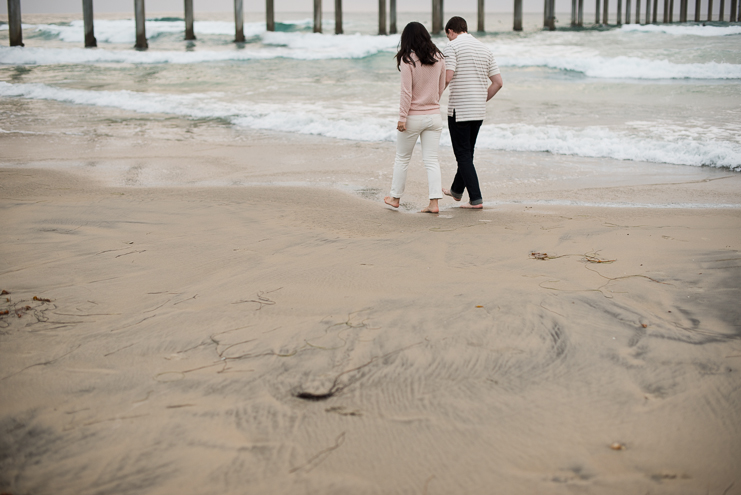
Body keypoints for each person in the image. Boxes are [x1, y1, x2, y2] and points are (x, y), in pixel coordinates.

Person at [384, 21, 446, 214]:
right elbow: (441, 86)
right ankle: (434, 203)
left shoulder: (407, 59)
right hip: (434, 116)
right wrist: (432, 102)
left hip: (413, 117)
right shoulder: (439, 57)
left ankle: (395, 198)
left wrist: (402, 117)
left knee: (402, 158)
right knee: (432, 160)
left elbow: (406, 93)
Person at [442, 16, 503, 209]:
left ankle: (476, 199)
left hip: (459, 109)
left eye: (448, 36)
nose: (448, 39)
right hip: (478, 110)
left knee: (463, 155)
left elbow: (448, 76)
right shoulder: (484, 48)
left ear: (451, 31)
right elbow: (498, 82)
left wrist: (432, 98)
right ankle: (457, 190)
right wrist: (480, 99)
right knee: (467, 153)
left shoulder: (452, 47)